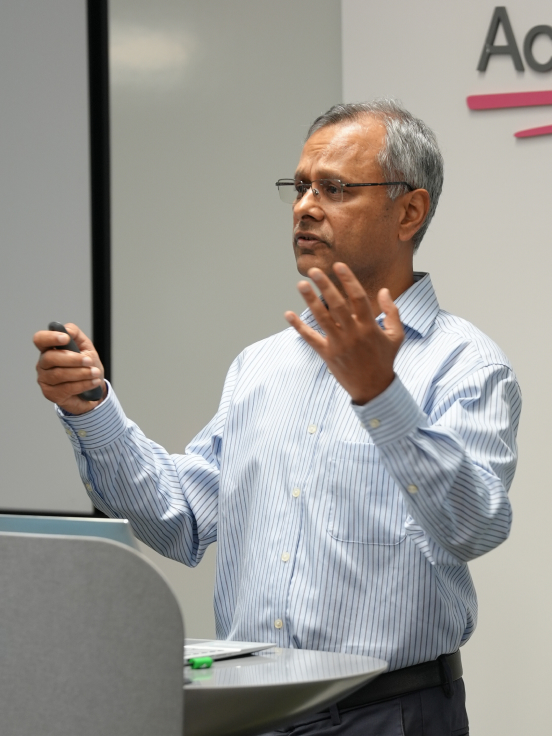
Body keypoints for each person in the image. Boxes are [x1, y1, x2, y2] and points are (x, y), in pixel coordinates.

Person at [34, 100, 520, 735]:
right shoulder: (260, 366)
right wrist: (91, 407)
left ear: (410, 211)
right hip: (251, 713)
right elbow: (180, 519)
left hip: (386, 715)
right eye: (300, 187)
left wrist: (381, 396)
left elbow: (474, 526)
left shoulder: (467, 362)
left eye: (335, 188)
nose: (305, 207)